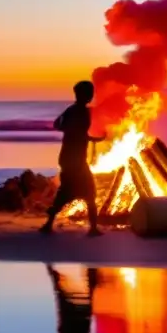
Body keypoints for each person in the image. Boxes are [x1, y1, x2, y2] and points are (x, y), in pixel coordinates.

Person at [39, 80, 106, 237]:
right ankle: (93, 228)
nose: (91, 96)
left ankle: (48, 225)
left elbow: (58, 125)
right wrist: (92, 139)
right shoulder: (80, 112)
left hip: (69, 158)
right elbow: (78, 134)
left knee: (66, 192)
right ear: (82, 94)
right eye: (89, 93)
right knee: (88, 192)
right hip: (75, 160)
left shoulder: (72, 110)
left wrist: (68, 131)